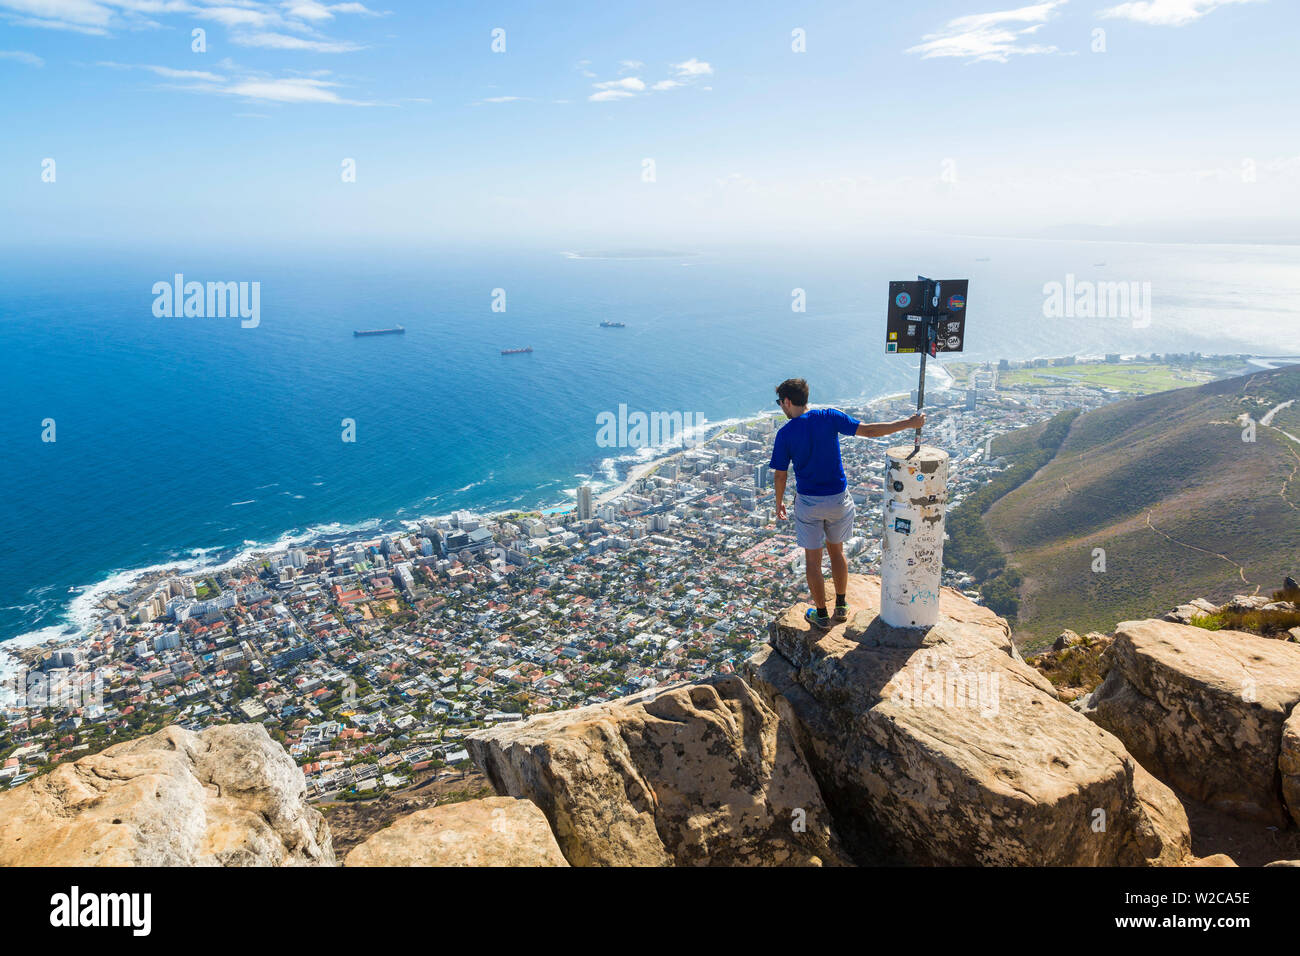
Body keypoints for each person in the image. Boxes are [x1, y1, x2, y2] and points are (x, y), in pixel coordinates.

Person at [769, 378, 924, 630]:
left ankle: (820, 615)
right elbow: (870, 431)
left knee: (812, 561)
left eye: (780, 403)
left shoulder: (785, 433)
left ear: (787, 401)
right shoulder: (829, 416)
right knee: (837, 552)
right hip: (838, 500)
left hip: (808, 503)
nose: (781, 408)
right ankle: (841, 607)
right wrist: (909, 423)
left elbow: (780, 474)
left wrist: (779, 503)